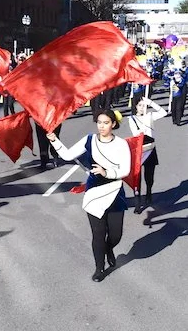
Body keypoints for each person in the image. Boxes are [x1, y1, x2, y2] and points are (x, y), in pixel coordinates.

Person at [47, 110, 130, 282]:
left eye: (106, 123)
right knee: (98, 234)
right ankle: (99, 268)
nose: (101, 126)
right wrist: (54, 140)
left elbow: (125, 170)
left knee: (116, 235)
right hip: (94, 192)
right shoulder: (89, 140)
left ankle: (108, 248)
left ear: (113, 124)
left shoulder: (121, 144)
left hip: (115, 191)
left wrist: (106, 172)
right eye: (99, 122)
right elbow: (67, 155)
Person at [128, 96, 167, 213]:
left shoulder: (150, 116)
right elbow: (135, 133)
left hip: (150, 148)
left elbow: (163, 112)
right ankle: (137, 203)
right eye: (140, 105)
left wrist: (150, 102)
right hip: (139, 150)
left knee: (149, 176)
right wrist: (142, 130)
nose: (142, 108)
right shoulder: (132, 118)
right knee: (137, 178)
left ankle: (149, 192)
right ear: (135, 106)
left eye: (144, 105)